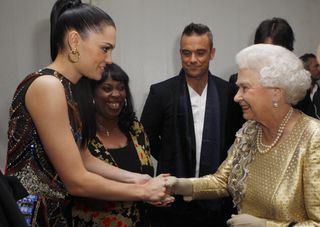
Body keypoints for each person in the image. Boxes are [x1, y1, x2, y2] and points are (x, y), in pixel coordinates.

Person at [5, 0, 167, 226]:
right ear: (74, 41)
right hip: (32, 216)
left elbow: (82, 157)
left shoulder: (66, 88)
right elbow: (76, 181)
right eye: (105, 48)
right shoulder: (48, 86)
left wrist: (138, 179)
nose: (109, 59)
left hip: (54, 212)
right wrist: (143, 192)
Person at [167, 44, 320, 226]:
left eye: (245, 88)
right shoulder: (250, 130)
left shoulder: (313, 138)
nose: (237, 96)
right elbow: (224, 179)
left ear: (276, 93)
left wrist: (266, 225)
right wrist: (181, 185)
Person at [141, 23, 242, 227]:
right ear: (180, 53)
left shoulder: (228, 93)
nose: (193, 60)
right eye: (187, 53)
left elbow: (234, 136)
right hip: (171, 202)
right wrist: (170, 156)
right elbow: (144, 138)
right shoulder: (161, 93)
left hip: (216, 202)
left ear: (212, 53)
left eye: (200, 52)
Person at [72, 63, 173, 226]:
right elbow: (80, 184)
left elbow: (145, 176)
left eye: (121, 88)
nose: (116, 94)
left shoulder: (135, 129)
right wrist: (143, 191)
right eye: (107, 88)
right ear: (92, 92)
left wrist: (154, 194)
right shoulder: (80, 133)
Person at [229, 17, 295, 84]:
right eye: (266, 51)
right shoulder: (240, 81)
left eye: (277, 53)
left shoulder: (297, 85)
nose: (271, 58)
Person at [295, 53, 320, 118]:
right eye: (316, 66)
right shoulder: (296, 94)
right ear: (306, 70)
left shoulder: (317, 89)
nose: (319, 69)